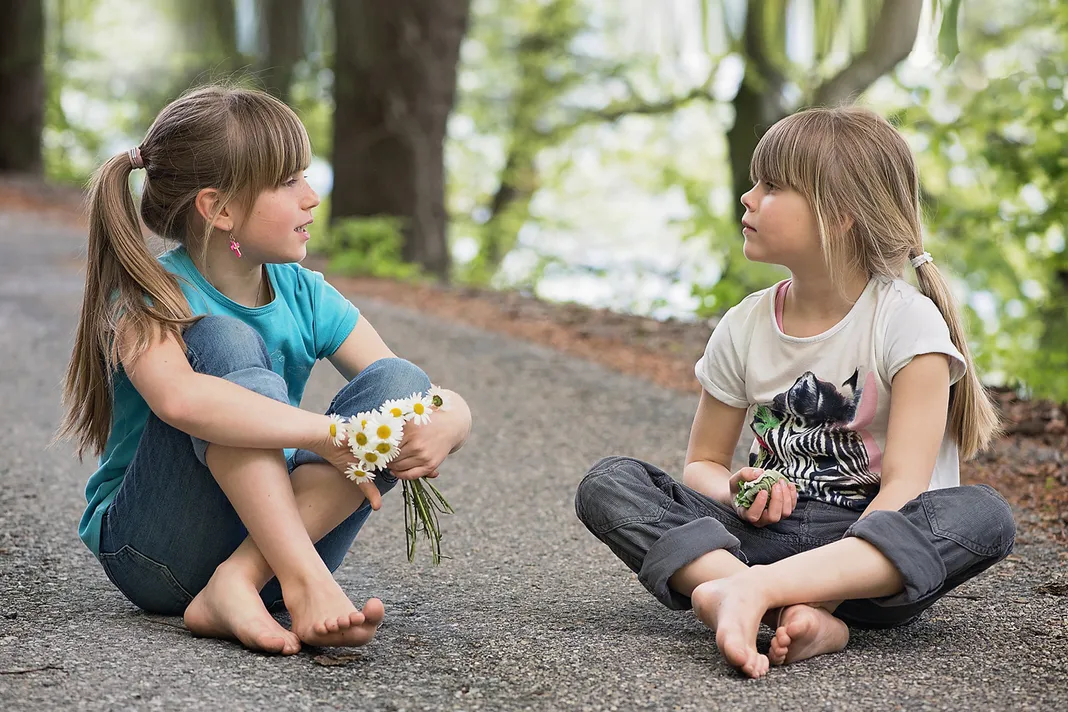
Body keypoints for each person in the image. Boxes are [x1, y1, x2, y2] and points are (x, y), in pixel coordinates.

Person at [574, 106, 1015, 678]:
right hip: (758, 539)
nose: (748, 198)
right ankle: (754, 597)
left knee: (983, 515)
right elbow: (703, 463)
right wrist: (738, 490)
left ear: (841, 216)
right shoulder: (746, 323)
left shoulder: (907, 323)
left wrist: (821, 597)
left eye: (773, 186)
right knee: (610, 483)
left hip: (869, 564)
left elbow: (904, 490)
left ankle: (743, 595)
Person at [59, 85, 472, 655]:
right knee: (223, 338)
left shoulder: (304, 294)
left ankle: (241, 580)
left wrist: (453, 418)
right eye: (288, 182)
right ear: (219, 208)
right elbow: (180, 402)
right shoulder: (148, 296)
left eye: (305, 176)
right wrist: (328, 434)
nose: (312, 198)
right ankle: (299, 580)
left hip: (276, 549)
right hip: (158, 550)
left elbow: (407, 388)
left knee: (400, 384)